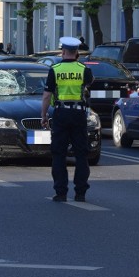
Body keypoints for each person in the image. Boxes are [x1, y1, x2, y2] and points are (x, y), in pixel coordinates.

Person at [41, 36, 94, 203]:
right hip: (79, 114)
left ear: (62, 52)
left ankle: (61, 192)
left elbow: (47, 96)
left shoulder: (54, 69)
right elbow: (89, 86)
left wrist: (44, 115)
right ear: (77, 53)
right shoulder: (84, 69)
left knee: (58, 153)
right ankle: (80, 193)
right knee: (81, 154)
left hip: (61, 114)